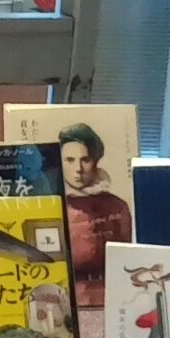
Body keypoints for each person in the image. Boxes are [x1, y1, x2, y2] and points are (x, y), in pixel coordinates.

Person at [60, 123, 133, 305]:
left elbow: (125, 259)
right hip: (65, 298)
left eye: (85, 160)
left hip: (110, 297)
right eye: (69, 160)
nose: (78, 168)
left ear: (95, 161)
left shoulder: (117, 206)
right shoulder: (51, 205)